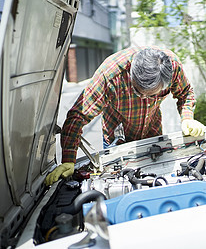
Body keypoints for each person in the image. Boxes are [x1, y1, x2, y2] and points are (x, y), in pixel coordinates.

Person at [45, 46, 205, 186]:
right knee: (115, 181)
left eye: (151, 95)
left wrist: (187, 118)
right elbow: (78, 116)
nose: (143, 98)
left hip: (152, 131)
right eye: (138, 92)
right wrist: (68, 160)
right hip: (116, 136)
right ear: (131, 75)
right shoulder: (110, 75)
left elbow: (185, 93)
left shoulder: (171, 66)